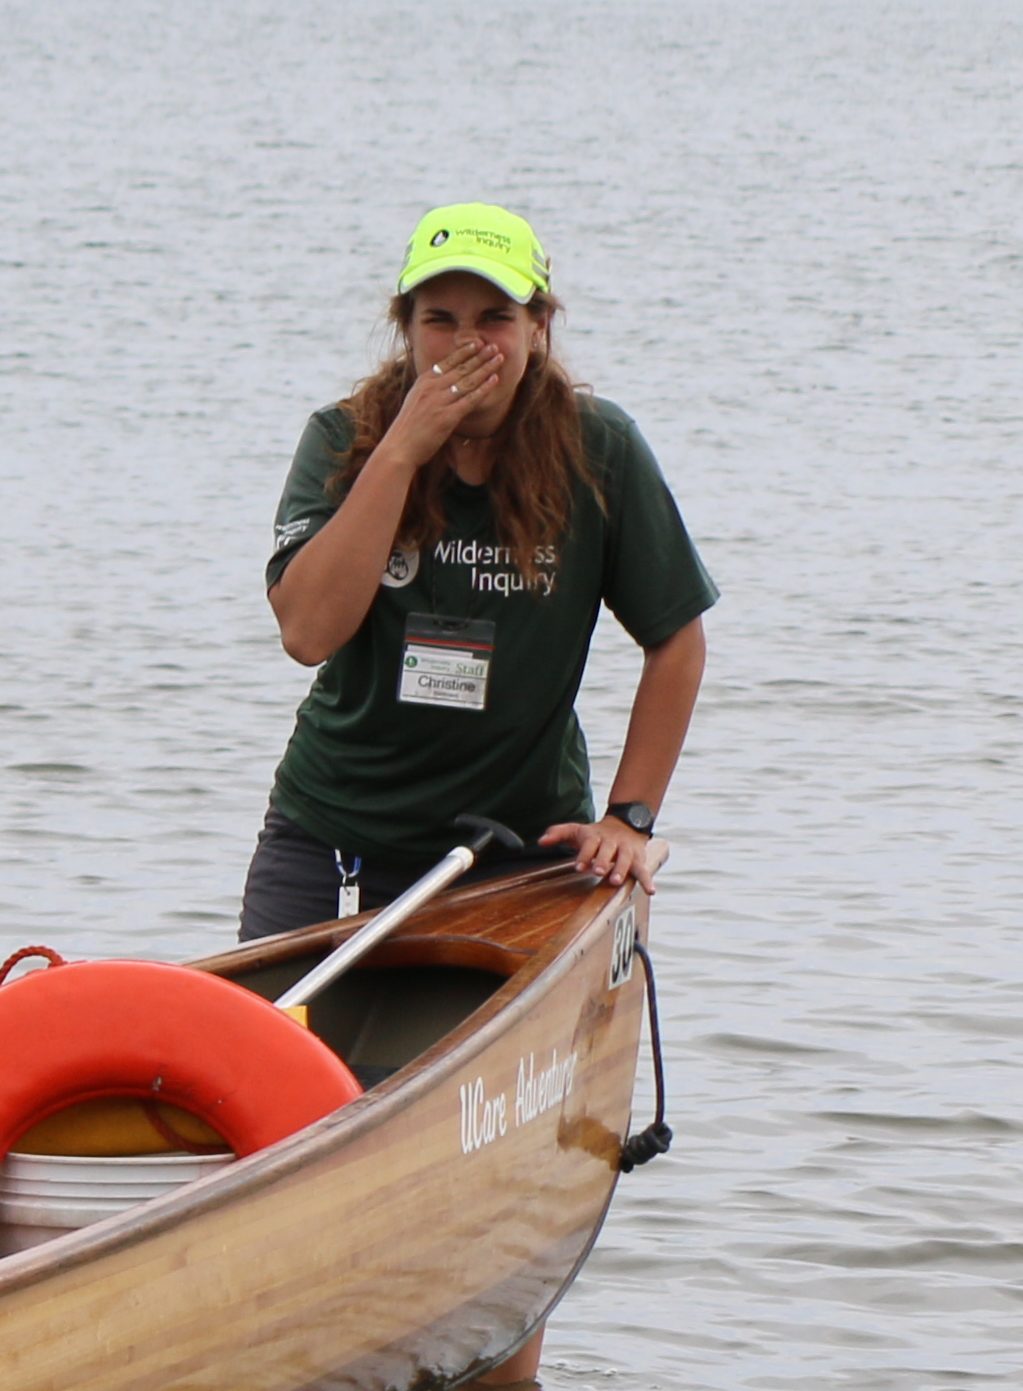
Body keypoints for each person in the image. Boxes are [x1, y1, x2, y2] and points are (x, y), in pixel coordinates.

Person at [250, 202, 712, 940]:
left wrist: (629, 816)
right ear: (406, 329)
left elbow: (678, 640)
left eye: (495, 318)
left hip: (519, 847)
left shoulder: (601, 449)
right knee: (273, 1048)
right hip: (336, 835)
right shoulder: (345, 438)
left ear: (538, 328)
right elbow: (307, 633)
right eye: (440, 320)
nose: (467, 345)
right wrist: (402, 451)